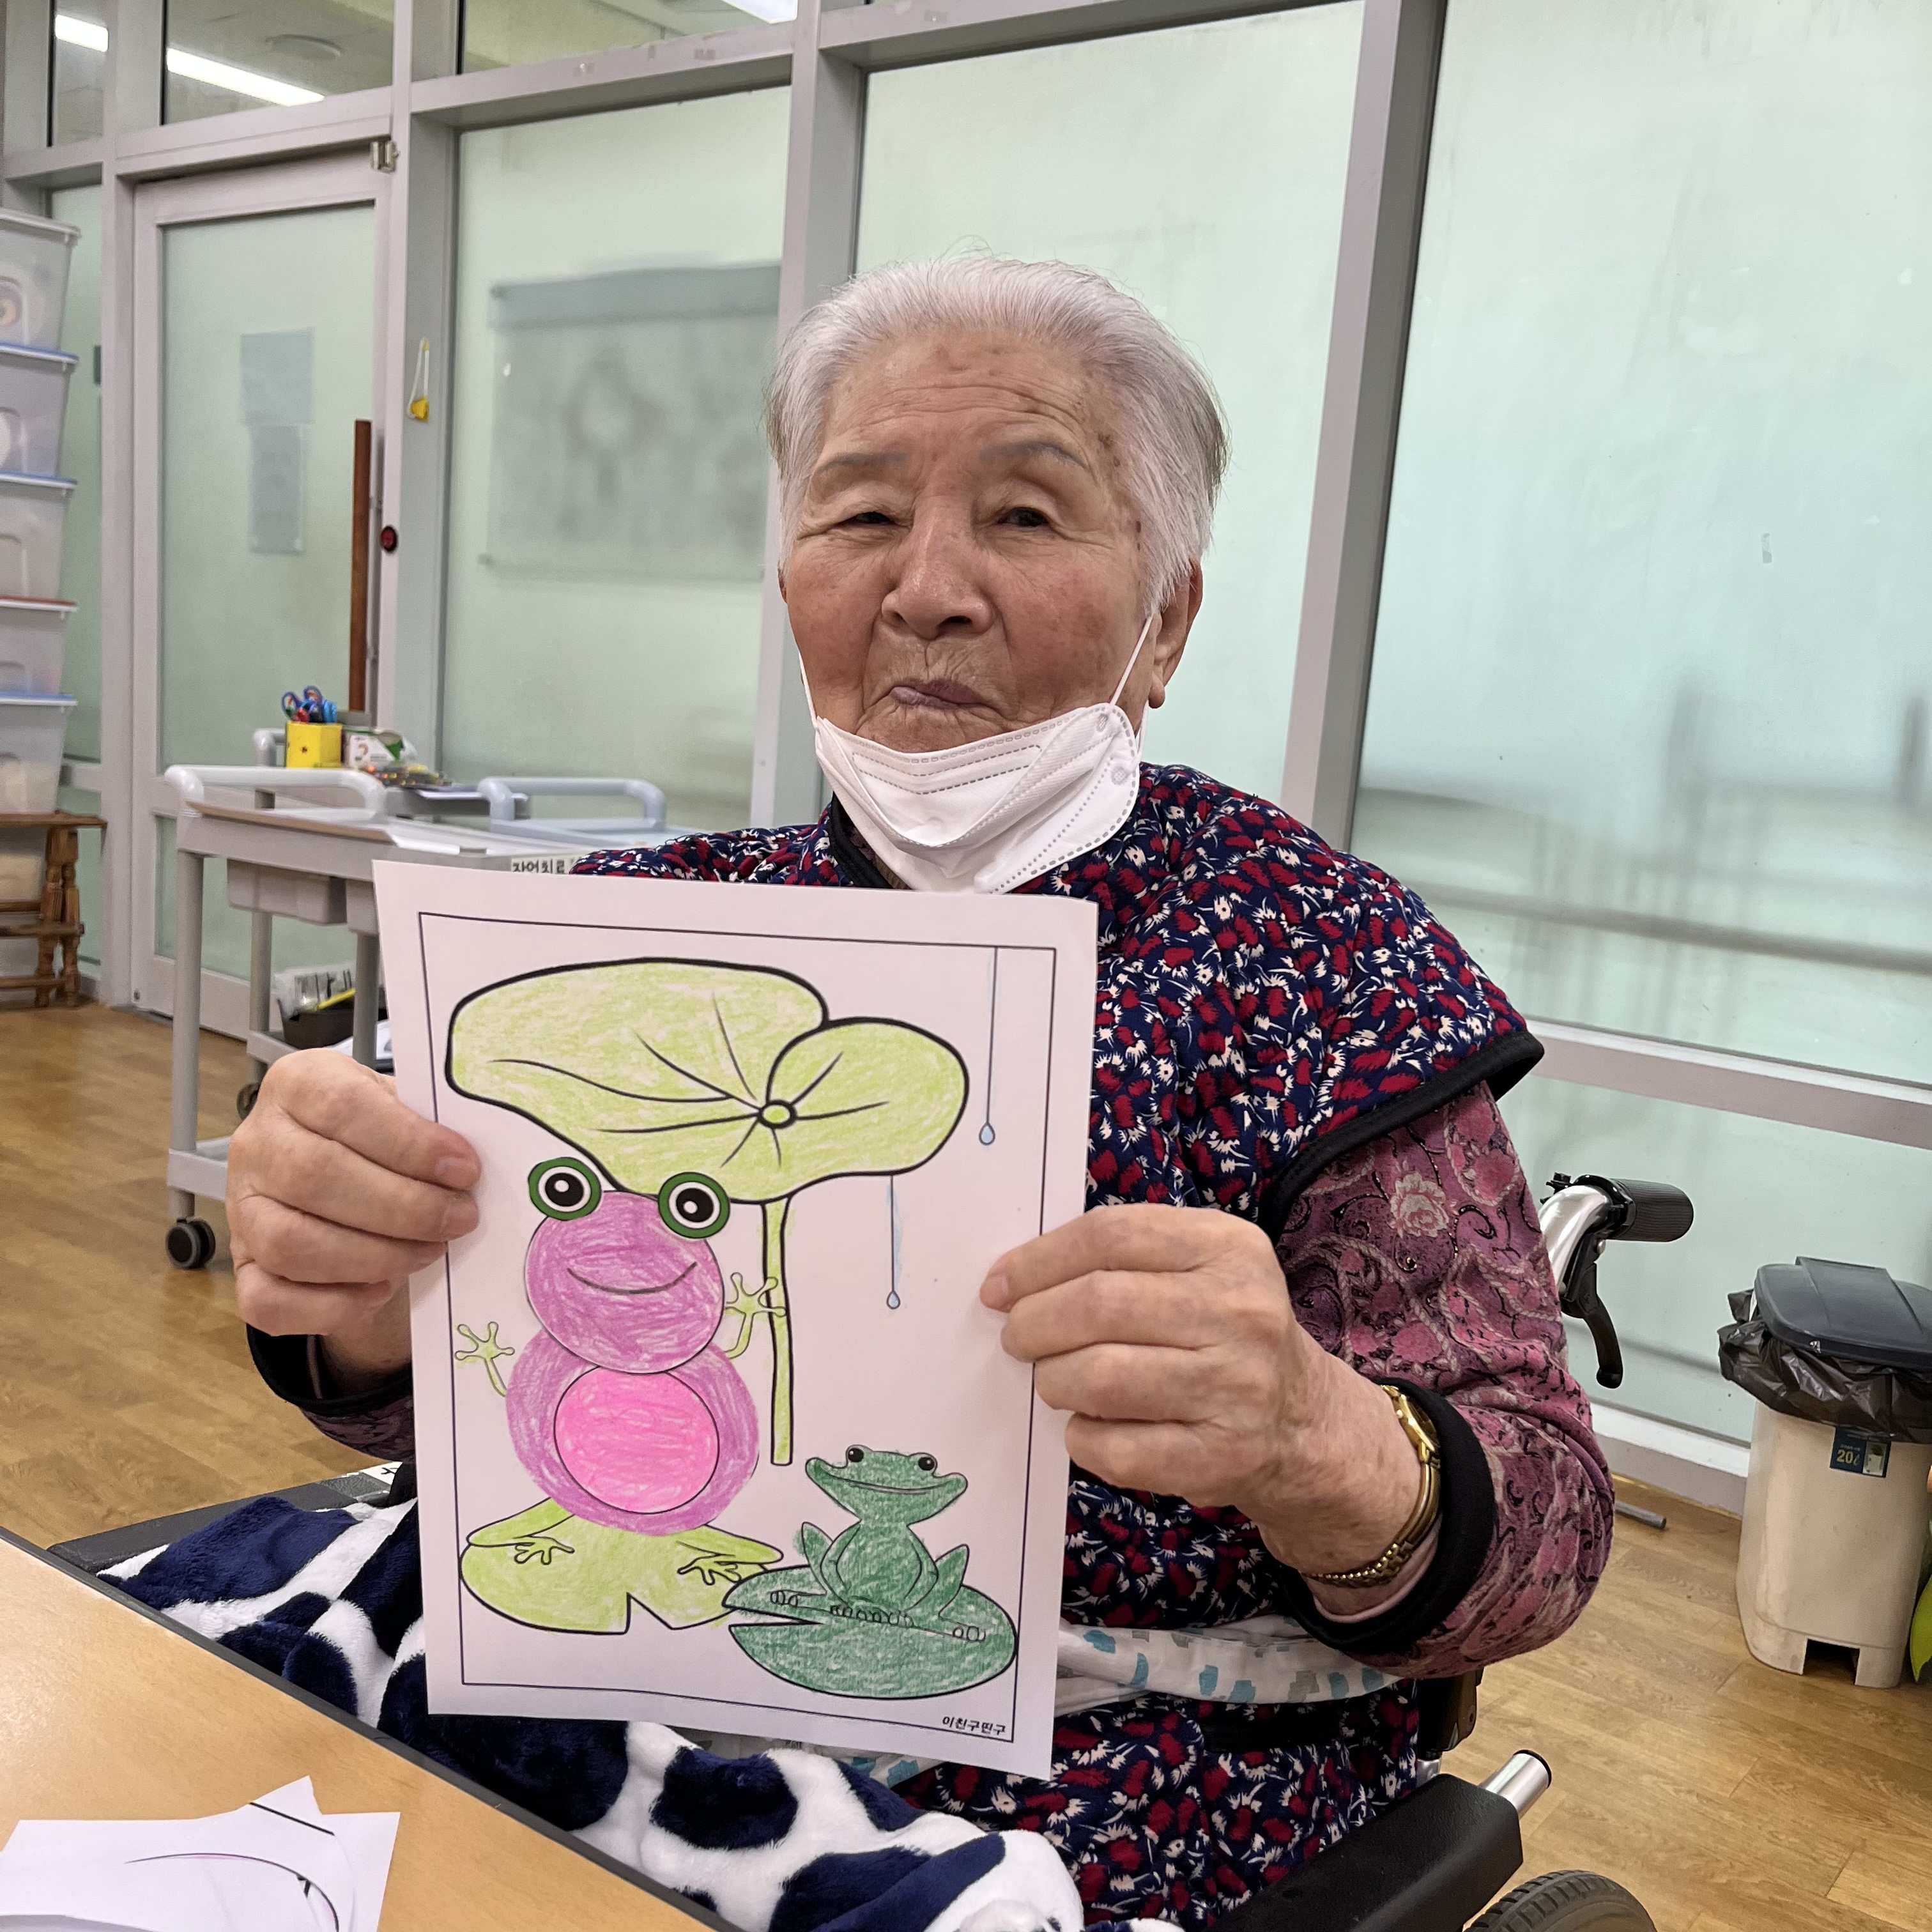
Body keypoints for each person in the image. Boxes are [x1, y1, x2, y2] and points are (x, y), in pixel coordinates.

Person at [213, 257, 1610, 1927]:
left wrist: (1321, 1438)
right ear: (791, 574)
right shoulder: (642, 933)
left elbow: (1549, 1529)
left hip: (1117, 1776)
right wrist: (359, 1305)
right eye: (863, 516)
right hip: (620, 1689)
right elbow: (442, 1404)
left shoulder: (1314, 960)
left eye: (1024, 515)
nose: (927, 590)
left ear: (1167, 620)